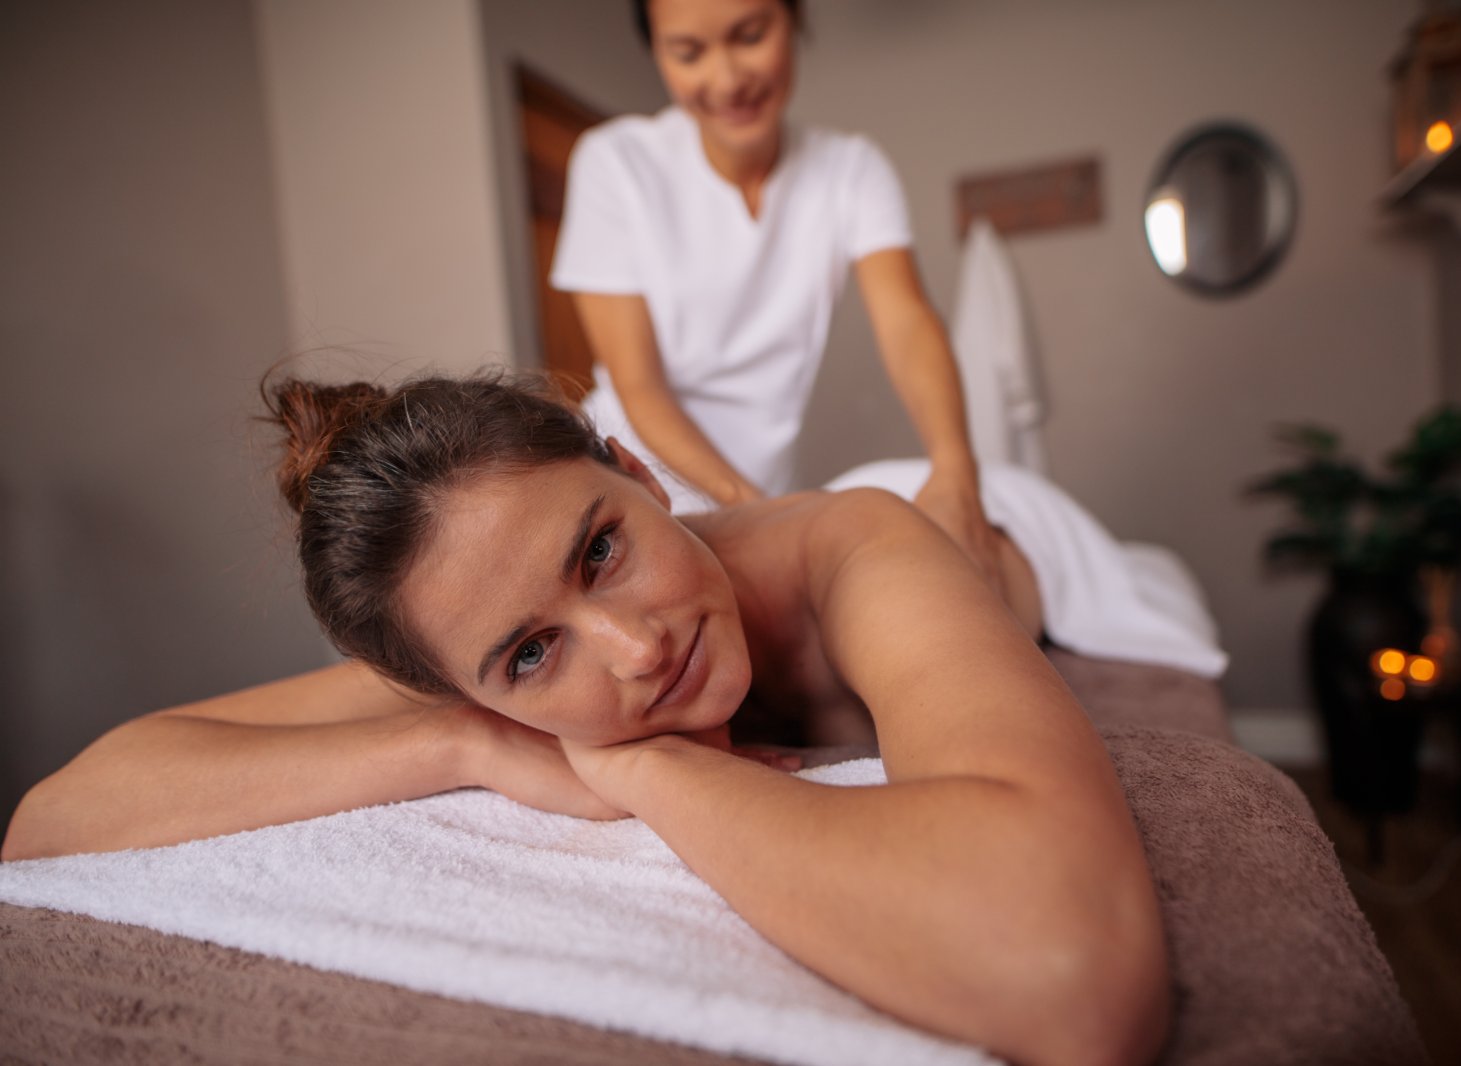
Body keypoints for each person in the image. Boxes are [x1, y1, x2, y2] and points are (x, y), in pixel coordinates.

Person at [2, 371, 1169, 1066]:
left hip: (1014, 537)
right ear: (470, 682)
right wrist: (457, 745)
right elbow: (54, 816)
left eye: (602, 548)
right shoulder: (479, 650)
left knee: (987, 528)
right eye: (528, 654)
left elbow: (1069, 973)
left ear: (640, 473)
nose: (635, 647)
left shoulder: (854, 545)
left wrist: (651, 773)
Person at [553, 0, 1003, 582]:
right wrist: (752, 508)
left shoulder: (852, 170)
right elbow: (639, 384)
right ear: (658, 53)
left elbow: (906, 322)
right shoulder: (615, 163)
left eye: (749, 35)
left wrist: (956, 469)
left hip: (763, 491)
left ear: (796, 20)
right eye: (689, 53)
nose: (727, 79)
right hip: (637, 479)